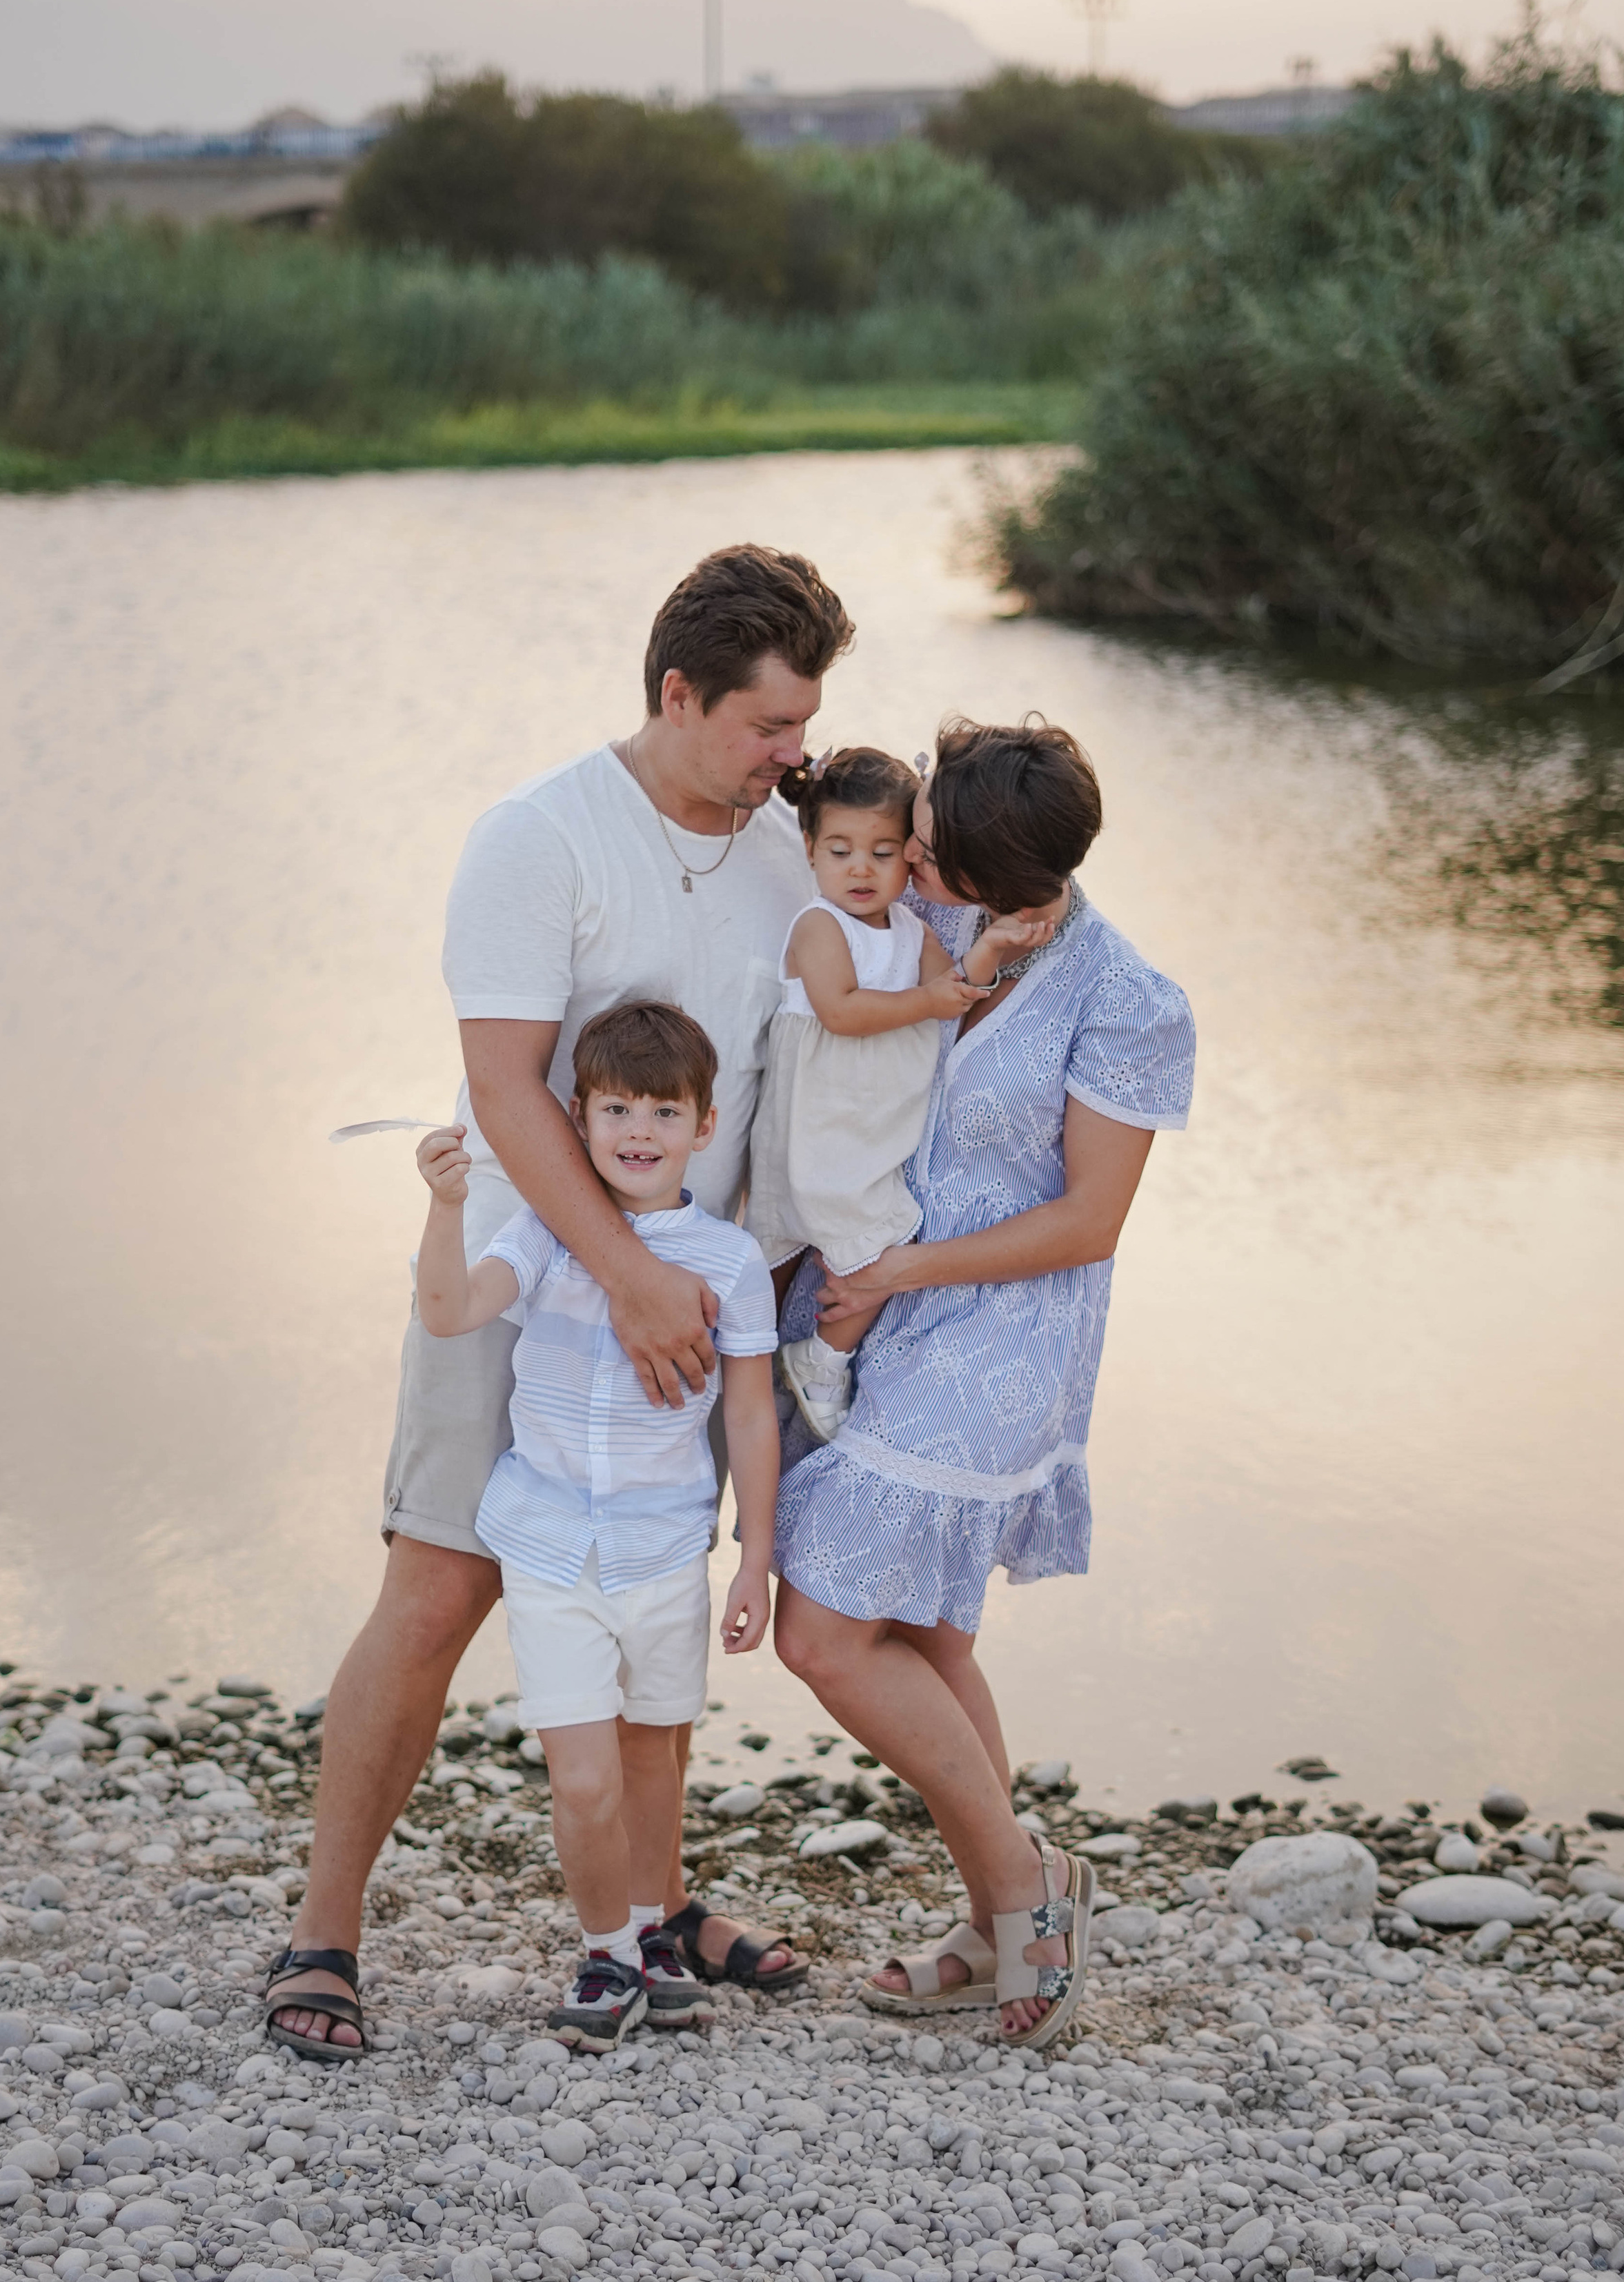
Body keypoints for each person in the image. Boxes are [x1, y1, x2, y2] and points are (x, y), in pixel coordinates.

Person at [264, 544, 852, 2058]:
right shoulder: (539, 836)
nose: (794, 760)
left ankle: (650, 1911)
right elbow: (501, 1087)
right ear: (677, 693)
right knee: (442, 1584)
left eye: (803, 727)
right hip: (544, 1275)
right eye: (765, 729)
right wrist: (627, 1271)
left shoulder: (789, 850)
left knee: (654, 1588)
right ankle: (322, 1932)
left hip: (693, 1304)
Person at [771, 716, 1196, 2050]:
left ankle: (1026, 1886)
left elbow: (1089, 1222)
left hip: (1001, 1333)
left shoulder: (1131, 1000)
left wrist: (905, 1274)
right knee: (931, 1637)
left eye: (940, 859)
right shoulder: (934, 919)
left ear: (1017, 877)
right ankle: (989, 1912)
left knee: (825, 1631)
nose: (916, 869)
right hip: (875, 1303)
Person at [403, 1003, 779, 2052]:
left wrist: (757, 1555)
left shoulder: (729, 1261)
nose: (640, 1130)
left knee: (654, 1758)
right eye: (617, 1108)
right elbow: (448, 1312)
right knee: (582, 1771)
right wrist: (444, 1207)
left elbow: (748, 1410)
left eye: (665, 1110)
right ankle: (605, 1949)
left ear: (706, 1126)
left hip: (666, 1549)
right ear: (579, 1118)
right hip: (553, 1547)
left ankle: (655, 1937)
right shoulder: (545, 1237)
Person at [746, 745, 1045, 1439]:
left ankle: (812, 1355)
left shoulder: (910, 929)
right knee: (841, 1245)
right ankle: (810, 1359)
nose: (861, 869)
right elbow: (842, 1011)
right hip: (820, 1122)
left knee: (869, 1238)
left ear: (908, 858)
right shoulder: (819, 926)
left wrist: (993, 948)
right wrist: (928, 999)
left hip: (869, 1121)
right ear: (810, 847)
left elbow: (957, 990)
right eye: (841, 850)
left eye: (883, 853)